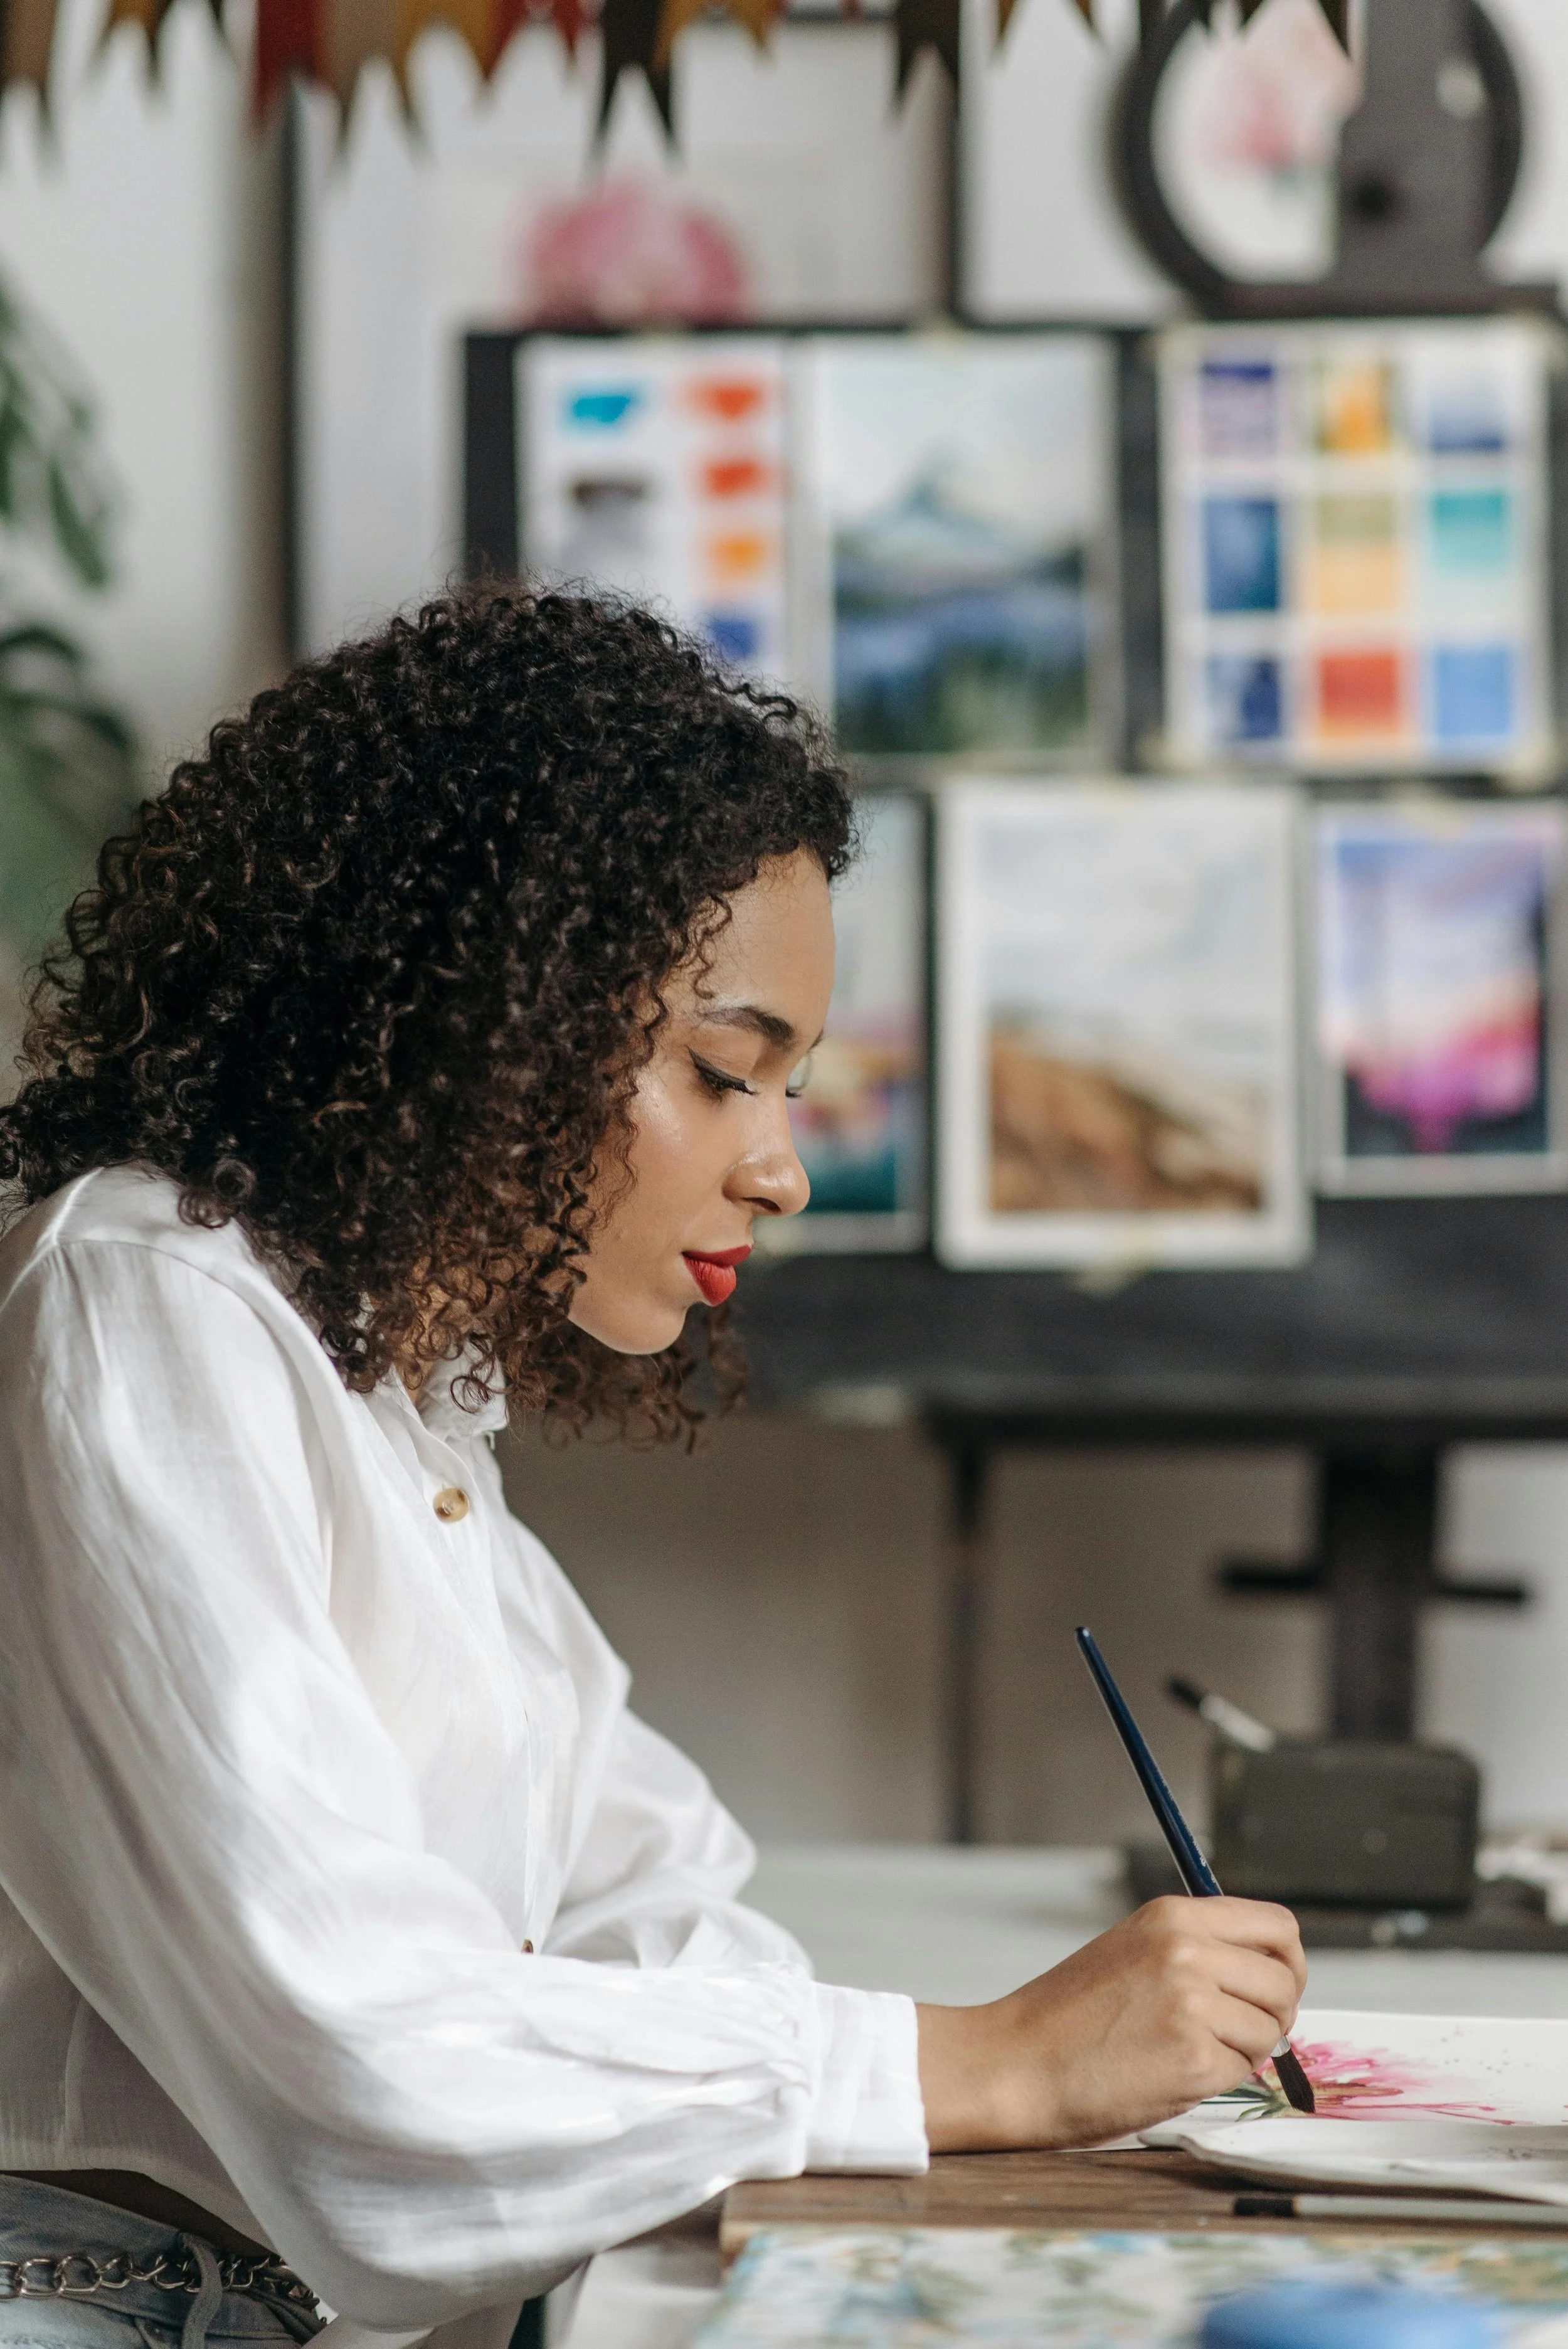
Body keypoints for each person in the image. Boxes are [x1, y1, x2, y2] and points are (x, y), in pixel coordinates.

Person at [0, 587, 1306, 2349]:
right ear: (485, 1011)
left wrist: (1019, 2062)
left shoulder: (392, 1399)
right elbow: (356, 2040)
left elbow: (657, 1900)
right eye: (721, 1072)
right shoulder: (144, 1296)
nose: (782, 1172)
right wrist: (978, 2061)